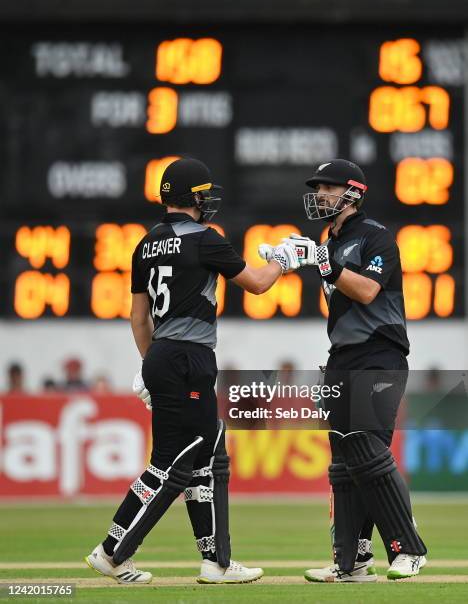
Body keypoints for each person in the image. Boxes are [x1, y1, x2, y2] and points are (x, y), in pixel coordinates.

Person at [85, 157, 299, 585]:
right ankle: (112, 550)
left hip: (164, 352)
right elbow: (257, 283)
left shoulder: (145, 244)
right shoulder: (205, 238)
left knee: (208, 448)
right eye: (204, 194)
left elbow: (138, 316)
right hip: (190, 357)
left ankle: (214, 559)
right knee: (172, 461)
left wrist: (150, 365)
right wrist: (285, 259)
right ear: (194, 197)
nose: (208, 201)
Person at [259, 159, 427, 582]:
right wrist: (287, 260)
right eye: (318, 188)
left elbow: (368, 291)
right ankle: (351, 562)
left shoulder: (377, 237)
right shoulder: (328, 239)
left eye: (329, 188)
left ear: (353, 193)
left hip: (381, 355)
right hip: (343, 358)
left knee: (367, 452)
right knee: (344, 459)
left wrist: (321, 258)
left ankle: (408, 548)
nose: (320, 195)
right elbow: (334, 286)